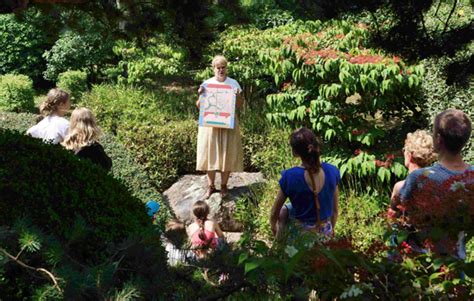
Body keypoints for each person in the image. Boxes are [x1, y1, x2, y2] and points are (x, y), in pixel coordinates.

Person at [399, 109, 473, 259]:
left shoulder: (419, 178)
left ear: (438, 139)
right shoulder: (471, 176)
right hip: (457, 259)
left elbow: (401, 216)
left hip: (423, 262)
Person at [270, 127, 340, 238]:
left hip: (301, 238)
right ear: (315, 145)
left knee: (284, 211)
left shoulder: (290, 176)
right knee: (286, 209)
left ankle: (280, 248)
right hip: (325, 233)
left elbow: (274, 212)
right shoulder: (332, 171)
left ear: (295, 153)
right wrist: (331, 231)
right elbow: (335, 211)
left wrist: (274, 227)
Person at [196, 55, 244, 199]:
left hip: (228, 124)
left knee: (226, 153)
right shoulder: (207, 84)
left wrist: (239, 96)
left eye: (223, 67)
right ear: (213, 69)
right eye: (218, 68)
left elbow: (240, 106)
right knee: (210, 153)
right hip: (210, 125)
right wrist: (200, 96)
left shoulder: (234, 84)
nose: (221, 70)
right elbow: (200, 107)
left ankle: (224, 186)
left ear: (226, 68)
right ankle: (211, 186)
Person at [390, 130, 437, 202]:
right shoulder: (438, 184)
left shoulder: (400, 187)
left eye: (404, 150)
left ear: (410, 155)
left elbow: (392, 212)